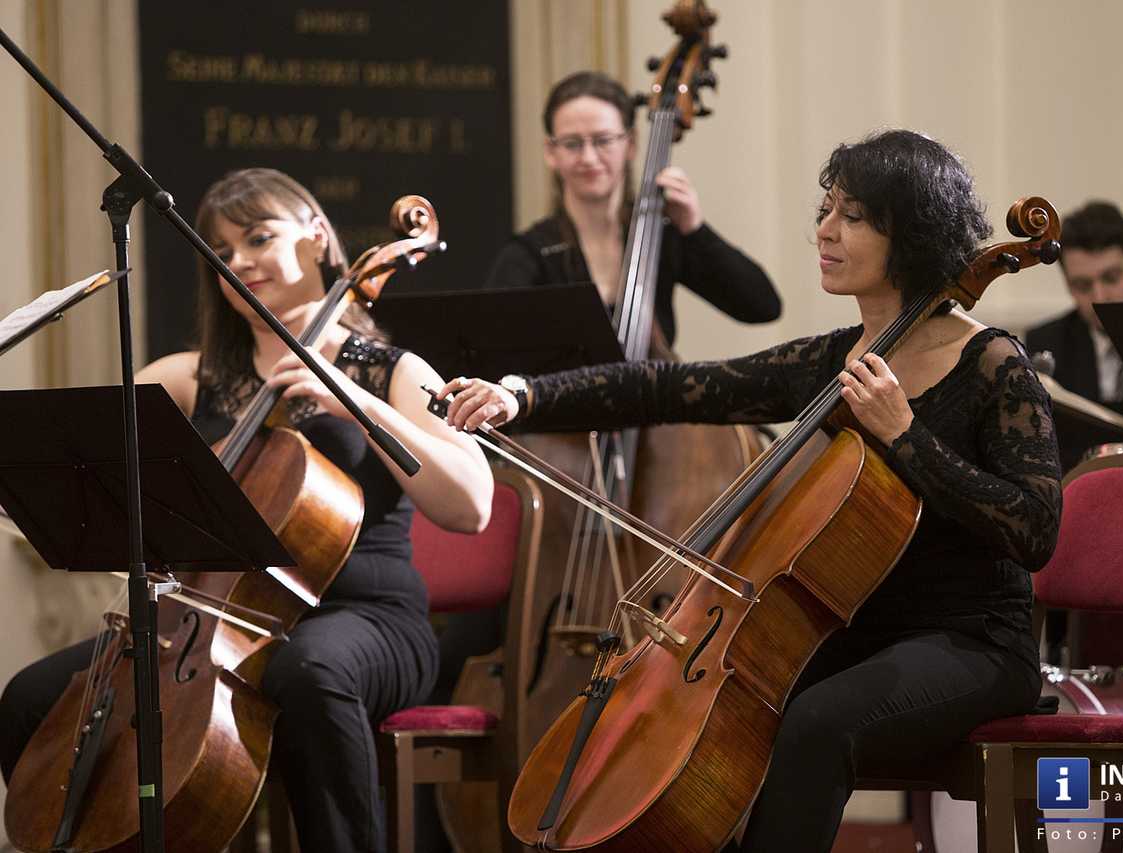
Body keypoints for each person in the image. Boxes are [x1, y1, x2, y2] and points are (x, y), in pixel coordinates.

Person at [442, 130, 1061, 853]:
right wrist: (523, 396)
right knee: (732, 709)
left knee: (818, 720)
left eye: (853, 217)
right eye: (826, 209)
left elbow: (1035, 527)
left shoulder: (991, 362)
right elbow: (669, 387)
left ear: (914, 235)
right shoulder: (838, 359)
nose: (824, 231)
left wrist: (905, 436)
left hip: (976, 643)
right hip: (858, 633)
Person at [0, 168, 494, 853]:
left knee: (309, 673)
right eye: (222, 253)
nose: (240, 262)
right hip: (214, 623)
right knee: (33, 695)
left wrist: (354, 400)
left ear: (318, 236)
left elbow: (471, 504)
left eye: (259, 237)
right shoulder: (189, 375)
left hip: (366, 617)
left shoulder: (394, 370)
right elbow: (82, 451)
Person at [483, 70, 781, 349]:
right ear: (551, 152)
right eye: (572, 143)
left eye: (603, 140)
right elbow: (489, 346)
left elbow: (762, 307)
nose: (588, 158)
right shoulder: (531, 254)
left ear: (631, 144)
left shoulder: (661, 236)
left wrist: (695, 229)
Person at [1024, 200, 1123, 404]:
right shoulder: (1046, 343)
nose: (1099, 297)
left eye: (1111, 278)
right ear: (1067, 283)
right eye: (1083, 285)